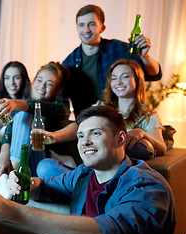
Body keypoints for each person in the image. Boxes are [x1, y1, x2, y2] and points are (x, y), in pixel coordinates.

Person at [0, 105, 176, 234]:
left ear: (120, 139)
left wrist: (13, 212)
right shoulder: (84, 174)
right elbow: (46, 186)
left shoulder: (147, 186)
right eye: (80, 136)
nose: (85, 142)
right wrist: (25, 183)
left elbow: (107, 230)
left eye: (95, 133)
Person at [37, 59, 166, 178]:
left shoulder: (147, 116)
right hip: (89, 167)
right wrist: (53, 136)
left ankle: (82, 187)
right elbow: (78, 126)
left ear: (137, 80)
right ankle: (82, 184)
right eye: (114, 78)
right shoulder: (101, 106)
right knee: (44, 166)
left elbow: (161, 147)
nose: (119, 82)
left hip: (116, 174)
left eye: (125, 77)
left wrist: (142, 133)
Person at [0, 62, 70, 181]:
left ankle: (12, 175)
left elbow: (35, 106)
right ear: (33, 81)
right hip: (12, 158)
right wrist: (3, 154)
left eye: (49, 84)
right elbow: (10, 127)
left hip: (36, 161)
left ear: (56, 89)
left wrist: (16, 104)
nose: (42, 86)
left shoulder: (61, 107)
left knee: (26, 113)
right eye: (39, 80)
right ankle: (3, 178)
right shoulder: (25, 101)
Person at [62, 4, 162, 117]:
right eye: (81, 25)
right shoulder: (68, 63)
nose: (87, 30)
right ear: (77, 28)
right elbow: (61, 100)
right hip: (88, 124)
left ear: (102, 28)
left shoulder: (120, 49)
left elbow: (154, 74)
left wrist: (145, 57)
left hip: (123, 120)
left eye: (92, 24)